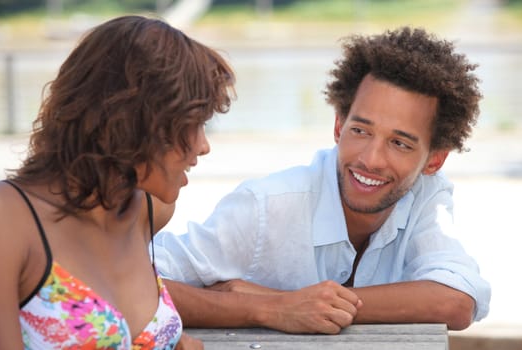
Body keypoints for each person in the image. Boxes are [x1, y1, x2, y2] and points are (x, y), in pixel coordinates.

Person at [153, 26, 491, 334]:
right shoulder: (266, 206)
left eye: (399, 143)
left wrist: (292, 301)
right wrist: (269, 308)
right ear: (338, 126)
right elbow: (137, 283)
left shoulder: (427, 195)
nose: (371, 159)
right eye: (360, 131)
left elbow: (456, 301)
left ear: (434, 160)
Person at [0, 15, 235, 349]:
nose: (203, 146)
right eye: (193, 123)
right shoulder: (8, 220)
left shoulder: (148, 209)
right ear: (137, 123)